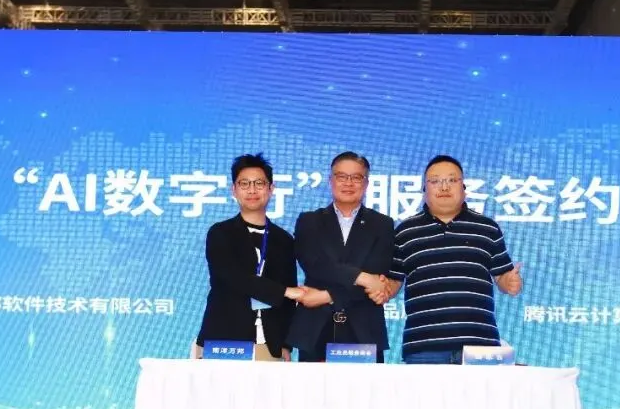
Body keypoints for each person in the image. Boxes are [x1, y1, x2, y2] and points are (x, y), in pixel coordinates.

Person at [384, 154, 523, 364]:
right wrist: (380, 288)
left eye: (452, 180)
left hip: (479, 347)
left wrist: (510, 282)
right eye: (435, 181)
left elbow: (502, 276)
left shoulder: (487, 228)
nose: (444, 187)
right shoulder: (405, 232)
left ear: (464, 187)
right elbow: (393, 282)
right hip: (424, 347)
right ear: (424, 190)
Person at [286, 151, 395, 363]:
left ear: (366, 183)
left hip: (365, 330)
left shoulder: (382, 224)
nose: (348, 183)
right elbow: (316, 266)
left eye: (356, 177)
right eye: (341, 176)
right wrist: (362, 277)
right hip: (316, 329)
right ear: (330, 181)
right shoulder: (309, 221)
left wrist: (326, 296)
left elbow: (377, 276)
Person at [193, 153, 304, 362]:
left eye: (259, 183)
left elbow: (288, 302)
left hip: (269, 345)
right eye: (244, 184)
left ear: (271, 189)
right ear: (233, 190)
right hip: (223, 340)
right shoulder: (220, 233)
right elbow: (233, 277)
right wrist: (286, 292)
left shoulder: (284, 239)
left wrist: (285, 344)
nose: (252, 190)